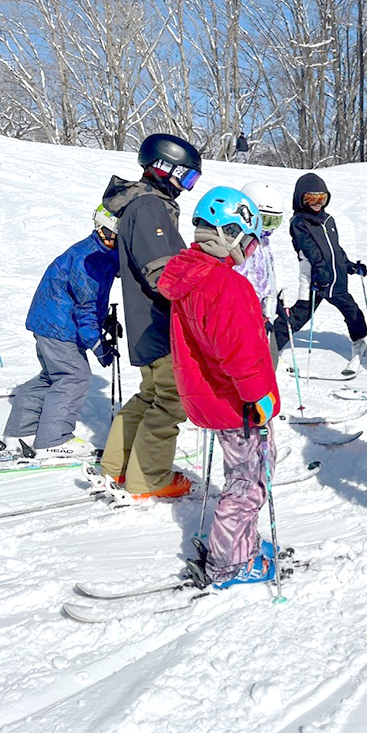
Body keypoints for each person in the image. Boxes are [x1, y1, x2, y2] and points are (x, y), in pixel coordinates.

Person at [158, 187, 281, 587]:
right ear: (230, 233)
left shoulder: (190, 276)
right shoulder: (226, 286)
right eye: (247, 239)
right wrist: (258, 397)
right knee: (249, 483)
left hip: (213, 397)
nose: (249, 248)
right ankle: (230, 563)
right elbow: (241, 354)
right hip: (238, 403)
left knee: (242, 475)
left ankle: (239, 544)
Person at [99, 133, 202, 499]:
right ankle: (150, 479)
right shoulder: (148, 209)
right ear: (163, 168)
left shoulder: (147, 205)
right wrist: (200, 300)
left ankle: (117, 465)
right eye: (186, 177)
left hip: (148, 323)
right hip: (158, 323)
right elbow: (162, 274)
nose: (186, 188)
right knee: (170, 401)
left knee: (150, 395)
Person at [1, 206, 119, 458]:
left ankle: (20, 432)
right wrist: (99, 347)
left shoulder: (99, 253)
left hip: (49, 322)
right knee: (74, 376)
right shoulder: (89, 259)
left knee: (52, 376)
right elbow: (85, 310)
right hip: (58, 326)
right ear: (105, 230)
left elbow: (89, 301)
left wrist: (105, 320)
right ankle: (53, 439)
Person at [272, 172, 367, 362]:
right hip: (314, 281)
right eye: (311, 199)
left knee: (352, 311)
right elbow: (309, 250)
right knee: (298, 317)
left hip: (336, 280)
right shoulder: (299, 223)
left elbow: (335, 249)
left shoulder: (328, 220)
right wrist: (320, 272)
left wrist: (349, 266)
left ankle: (359, 341)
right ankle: (271, 345)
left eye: (322, 198)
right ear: (301, 199)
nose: (317, 203)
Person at [236, 180, 284, 367]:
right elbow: (239, 286)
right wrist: (255, 317)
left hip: (265, 317)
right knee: (255, 368)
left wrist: (275, 298)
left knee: (271, 362)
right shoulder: (239, 242)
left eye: (274, 222)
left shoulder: (263, 242)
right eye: (264, 221)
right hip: (247, 322)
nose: (268, 229)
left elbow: (264, 276)